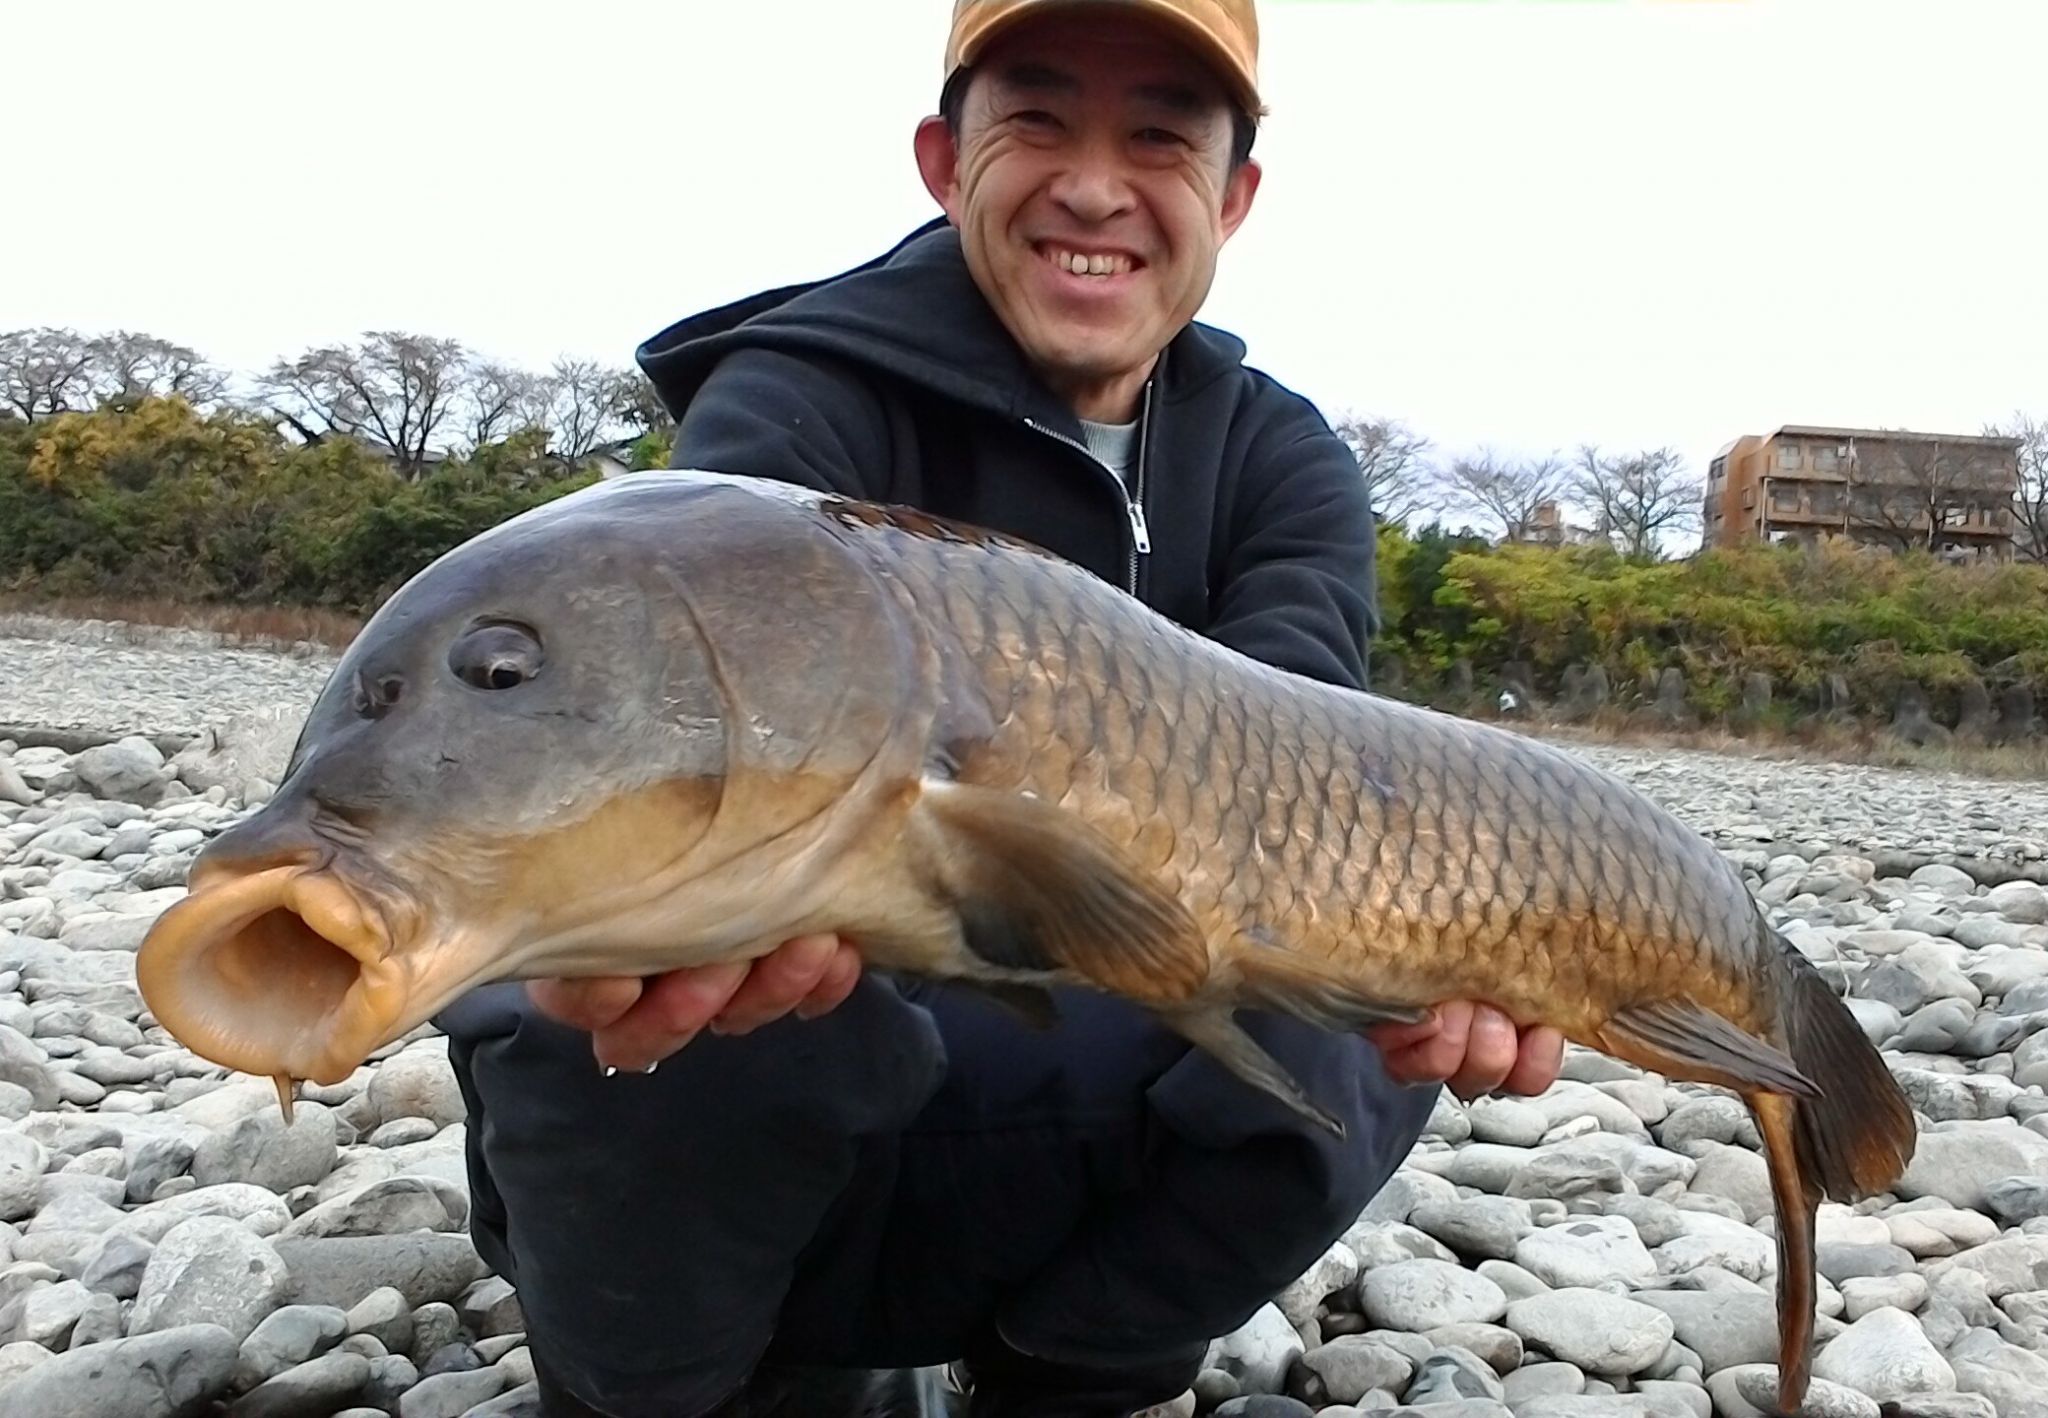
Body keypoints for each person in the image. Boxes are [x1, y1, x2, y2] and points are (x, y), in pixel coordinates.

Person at [438, 4, 1565, 1415]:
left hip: (1059, 1095)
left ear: (1234, 197)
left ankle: (1067, 1371)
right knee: (638, 972)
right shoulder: (794, 400)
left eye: (1158, 135)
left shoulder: (1282, 460)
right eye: (1038, 121)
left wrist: (1441, 964)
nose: (1095, 185)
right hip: (793, 1115)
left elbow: (1310, 786)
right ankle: (699, 1383)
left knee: (1355, 997)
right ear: (941, 158)